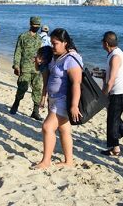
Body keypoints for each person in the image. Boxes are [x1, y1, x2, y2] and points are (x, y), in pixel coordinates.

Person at [33, 28, 83, 169]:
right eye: (52, 42)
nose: (52, 46)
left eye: (55, 43)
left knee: (47, 127)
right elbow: (43, 71)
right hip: (54, 99)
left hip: (63, 100)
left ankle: (46, 161)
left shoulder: (71, 59)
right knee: (64, 129)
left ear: (65, 43)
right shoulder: (56, 57)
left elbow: (76, 83)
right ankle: (69, 161)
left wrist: (74, 105)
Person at [100, 31, 123, 156]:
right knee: (114, 118)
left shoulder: (116, 56)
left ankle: (115, 149)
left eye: (102, 42)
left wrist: (103, 95)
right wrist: (103, 76)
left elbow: (111, 80)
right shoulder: (113, 54)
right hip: (120, 92)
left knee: (112, 121)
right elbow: (110, 75)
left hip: (120, 94)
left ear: (106, 43)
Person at [10, 16, 43, 120]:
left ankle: (35, 111)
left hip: (37, 69)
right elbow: (18, 51)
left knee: (37, 89)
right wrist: (16, 65)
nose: (36, 27)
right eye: (35, 25)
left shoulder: (39, 38)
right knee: (22, 87)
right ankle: (16, 104)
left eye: (38, 26)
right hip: (25, 67)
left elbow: (41, 52)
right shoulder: (23, 37)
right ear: (30, 24)